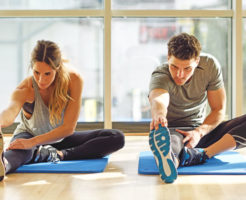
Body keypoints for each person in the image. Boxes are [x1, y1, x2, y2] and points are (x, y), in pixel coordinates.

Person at [0, 40, 125, 181]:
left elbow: (68, 128)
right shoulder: (25, 89)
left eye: (47, 73)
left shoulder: (74, 80)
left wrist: (35, 142)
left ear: (57, 67)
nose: (41, 80)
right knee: (18, 154)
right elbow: (10, 112)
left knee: (116, 137)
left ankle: (57, 154)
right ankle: (12, 163)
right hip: (28, 136)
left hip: (59, 138)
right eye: (36, 72)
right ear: (31, 67)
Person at [148, 32, 243, 183]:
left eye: (187, 69)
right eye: (174, 67)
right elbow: (159, 99)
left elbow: (218, 109)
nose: (180, 74)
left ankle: (201, 154)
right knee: (171, 144)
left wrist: (199, 132)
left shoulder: (209, 66)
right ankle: (170, 161)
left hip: (203, 131)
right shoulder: (161, 74)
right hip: (174, 131)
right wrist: (159, 115)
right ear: (168, 58)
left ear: (197, 61)